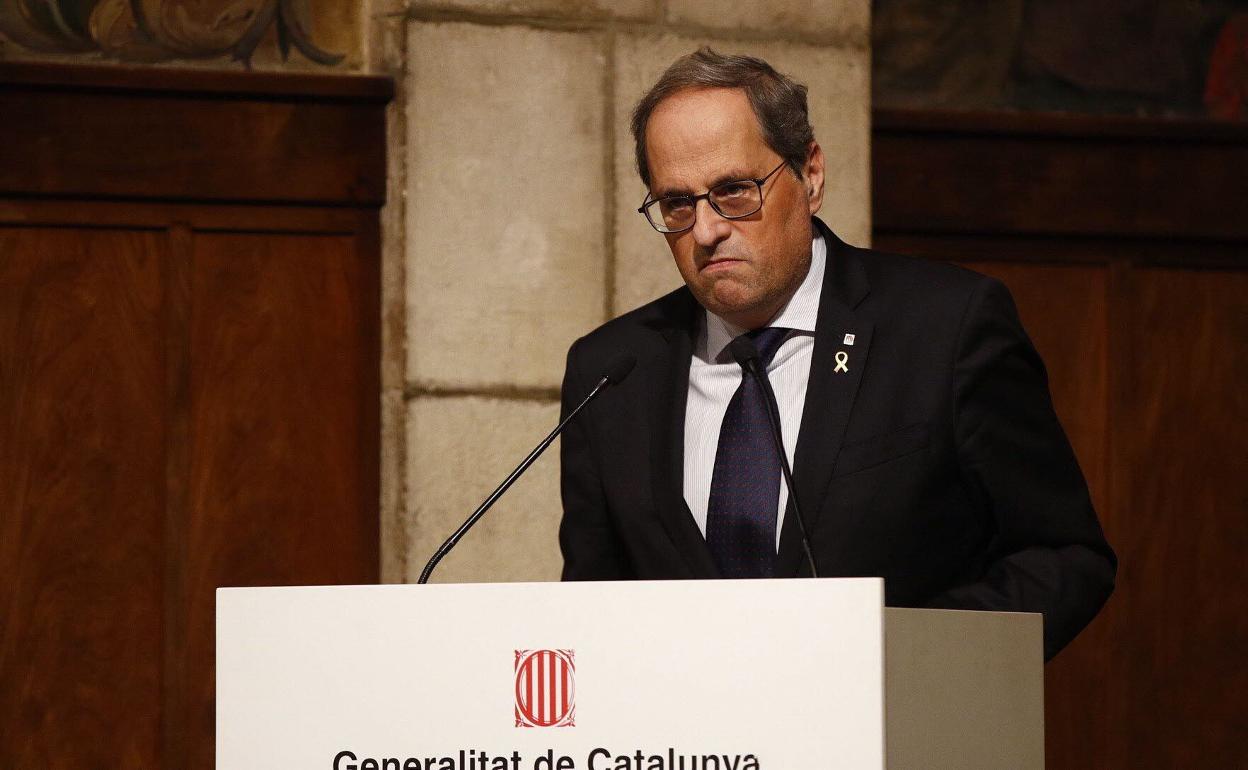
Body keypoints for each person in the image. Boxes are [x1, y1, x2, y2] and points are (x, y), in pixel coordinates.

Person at [558, 48, 1115, 660]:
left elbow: (1064, 556)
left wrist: (902, 659)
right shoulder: (611, 372)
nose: (708, 229)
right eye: (678, 204)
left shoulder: (944, 327)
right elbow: (592, 609)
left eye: (735, 191)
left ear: (812, 175)